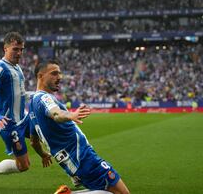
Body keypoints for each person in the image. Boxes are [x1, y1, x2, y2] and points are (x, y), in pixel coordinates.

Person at [29, 60, 130, 194]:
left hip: (72, 162)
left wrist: (43, 155)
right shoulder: (44, 98)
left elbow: (33, 140)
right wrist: (70, 115)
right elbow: (56, 113)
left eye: (59, 74)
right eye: (54, 73)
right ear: (40, 76)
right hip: (83, 158)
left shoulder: (31, 107)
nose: (59, 77)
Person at [0, 32, 51, 186]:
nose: (19, 53)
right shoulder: (1, 68)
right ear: (5, 48)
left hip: (22, 119)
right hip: (9, 124)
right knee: (24, 166)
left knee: (50, 131)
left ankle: (73, 171)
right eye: (15, 49)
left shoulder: (17, 67)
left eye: (21, 49)